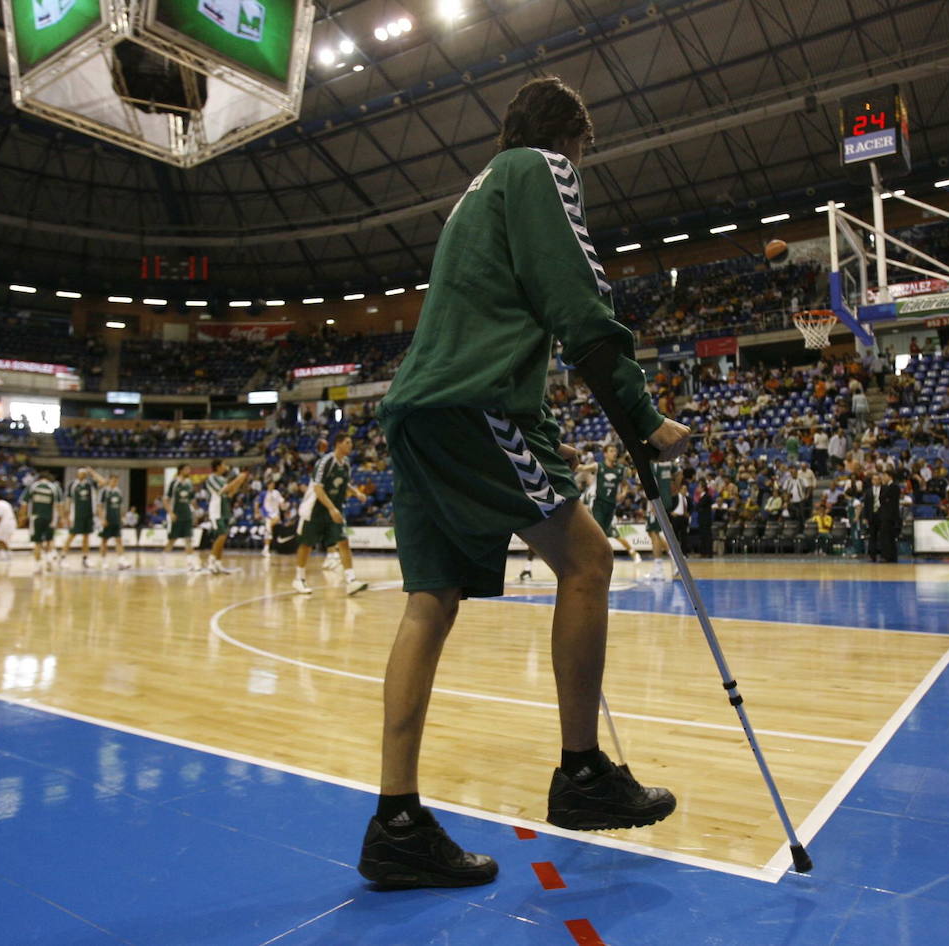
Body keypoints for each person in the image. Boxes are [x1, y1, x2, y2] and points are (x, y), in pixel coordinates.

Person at [357, 77, 691, 890]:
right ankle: (581, 774)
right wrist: (644, 418)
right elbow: (579, 301)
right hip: (473, 403)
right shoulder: (541, 168)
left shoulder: (470, 198)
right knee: (589, 562)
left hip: (417, 410)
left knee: (429, 602)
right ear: (570, 134)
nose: (583, 160)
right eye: (585, 146)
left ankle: (395, 824)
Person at [293, 435, 368, 595]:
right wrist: (331, 509)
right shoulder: (326, 461)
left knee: (343, 541)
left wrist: (356, 493)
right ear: (338, 444)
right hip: (316, 508)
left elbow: (344, 482)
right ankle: (299, 579)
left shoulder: (346, 464)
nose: (351, 446)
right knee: (307, 544)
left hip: (334, 509)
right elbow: (317, 488)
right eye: (347, 442)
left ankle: (351, 580)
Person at [577, 444, 640, 564]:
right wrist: (570, 464)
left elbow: (625, 483)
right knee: (597, 533)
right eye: (611, 451)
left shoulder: (620, 469)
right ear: (605, 454)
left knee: (607, 535)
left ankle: (623, 553)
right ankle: (595, 559)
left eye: (615, 451)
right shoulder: (598, 466)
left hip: (611, 507)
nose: (614, 453)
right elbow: (582, 468)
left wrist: (623, 493)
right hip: (598, 505)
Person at [200, 459, 249, 575]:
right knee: (221, 535)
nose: (225, 467)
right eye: (223, 465)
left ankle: (218, 564)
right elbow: (222, 491)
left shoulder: (223, 479)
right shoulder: (211, 478)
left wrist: (240, 482)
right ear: (217, 467)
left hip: (225, 509)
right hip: (216, 511)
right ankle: (211, 562)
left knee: (224, 536)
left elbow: (231, 493)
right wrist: (237, 479)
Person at [19, 472, 64, 571]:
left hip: (36, 518)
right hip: (50, 518)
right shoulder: (54, 488)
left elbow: (24, 503)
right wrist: (61, 518)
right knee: (49, 540)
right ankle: (49, 559)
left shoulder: (33, 487)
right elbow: (59, 505)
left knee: (37, 542)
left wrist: (22, 516)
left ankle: (37, 565)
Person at [162, 463, 198, 571]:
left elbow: (192, 500)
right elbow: (165, 500)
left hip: (187, 515)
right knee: (172, 540)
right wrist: (171, 513)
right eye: (187, 469)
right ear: (181, 470)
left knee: (188, 539)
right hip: (176, 515)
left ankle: (191, 564)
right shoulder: (173, 483)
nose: (189, 471)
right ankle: (162, 563)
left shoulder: (189, 484)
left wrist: (195, 513)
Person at [62, 468, 98, 568]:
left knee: (86, 537)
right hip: (76, 515)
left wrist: (92, 472)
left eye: (85, 474)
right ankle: (63, 557)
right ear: (77, 474)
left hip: (88, 514)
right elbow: (68, 500)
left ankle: (85, 558)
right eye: (81, 473)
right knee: (71, 536)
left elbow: (103, 482)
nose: (83, 475)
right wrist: (67, 516)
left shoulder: (90, 484)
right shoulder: (72, 485)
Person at [96, 474, 132, 571]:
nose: (115, 482)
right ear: (109, 480)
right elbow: (99, 506)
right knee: (104, 541)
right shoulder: (104, 491)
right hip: (107, 520)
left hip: (116, 520)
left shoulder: (118, 492)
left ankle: (121, 560)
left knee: (119, 540)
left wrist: (121, 517)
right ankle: (103, 561)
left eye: (116, 481)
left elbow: (120, 506)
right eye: (113, 480)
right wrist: (102, 519)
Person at [260, 475, 284, 558]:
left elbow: (281, 501)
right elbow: (260, 504)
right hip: (267, 515)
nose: (272, 485)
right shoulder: (264, 493)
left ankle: (266, 549)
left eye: (273, 484)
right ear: (267, 485)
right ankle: (266, 549)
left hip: (275, 514)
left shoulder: (276, 492)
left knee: (269, 528)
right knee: (268, 530)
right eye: (270, 484)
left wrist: (282, 505)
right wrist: (260, 513)